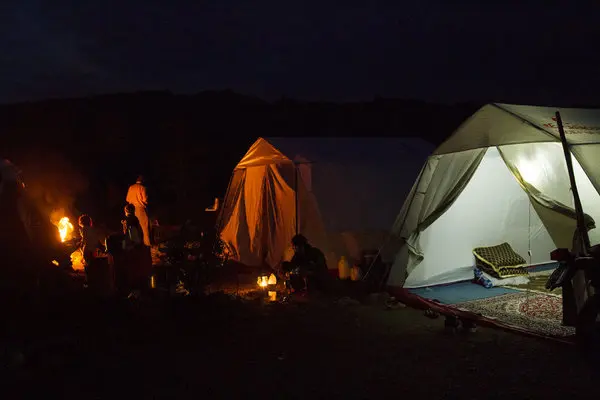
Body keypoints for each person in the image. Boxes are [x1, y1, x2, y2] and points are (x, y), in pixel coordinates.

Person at [125, 175, 152, 246]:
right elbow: (145, 200)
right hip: (140, 209)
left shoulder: (131, 187)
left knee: (134, 229)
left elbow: (127, 199)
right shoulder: (143, 188)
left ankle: (136, 245)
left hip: (131, 210)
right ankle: (147, 245)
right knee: (145, 228)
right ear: (142, 180)